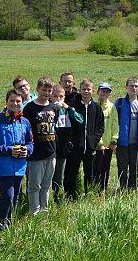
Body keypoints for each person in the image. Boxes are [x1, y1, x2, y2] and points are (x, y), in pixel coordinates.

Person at [23, 77, 74, 213]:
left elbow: (55, 126)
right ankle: (34, 211)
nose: (46, 93)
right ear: (37, 89)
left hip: (51, 152)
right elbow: (26, 129)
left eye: (49, 90)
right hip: (36, 153)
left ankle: (44, 211)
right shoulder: (30, 108)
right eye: (44, 90)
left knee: (46, 185)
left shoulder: (53, 108)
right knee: (34, 186)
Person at [0, 90, 33, 229]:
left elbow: (31, 142)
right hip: (3, 167)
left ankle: (9, 223)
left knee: (15, 197)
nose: (15, 104)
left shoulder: (25, 122)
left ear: (22, 102)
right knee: (8, 196)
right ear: (6, 102)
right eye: (12, 101)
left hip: (20, 167)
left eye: (18, 101)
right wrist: (8, 150)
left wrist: (27, 150)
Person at [68, 79, 105, 198]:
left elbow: (100, 127)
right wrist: (73, 140)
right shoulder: (73, 106)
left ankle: (88, 194)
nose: (86, 91)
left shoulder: (97, 108)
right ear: (79, 90)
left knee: (89, 173)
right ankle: (71, 195)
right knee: (72, 172)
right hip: (76, 147)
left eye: (89, 89)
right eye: (84, 89)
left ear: (93, 91)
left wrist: (93, 141)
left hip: (90, 147)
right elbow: (69, 125)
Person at [114, 77, 138, 190]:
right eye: (131, 85)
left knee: (134, 167)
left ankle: (132, 189)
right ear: (126, 87)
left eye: (136, 86)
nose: (133, 88)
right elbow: (114, 121)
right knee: (122, 167)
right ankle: (123, 189)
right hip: (122, 142)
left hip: (137, 142)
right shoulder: (120, 102)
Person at [53, 72, 78, 201]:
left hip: (66, 146)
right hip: (50, 147)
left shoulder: (73, 101)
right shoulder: (49, 108)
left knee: (61, 175)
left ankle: (60, 198)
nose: (59, 99)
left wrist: (68, 108)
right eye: (56, 96)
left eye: (61, 97)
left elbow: (80, 120)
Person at [94, 82, 118, 192]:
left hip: (108, 144)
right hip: (96, 145)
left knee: (105, 168)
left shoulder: (112, 107)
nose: (105, 93)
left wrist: (114, 140)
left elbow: (115, 124)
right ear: (98, 91)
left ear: (110, 94)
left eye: (107, 91)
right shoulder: (93, 105)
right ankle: (94, 188)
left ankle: (103, 189)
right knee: (96, 168)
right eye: (103, 90)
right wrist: (99, 143)